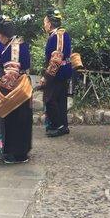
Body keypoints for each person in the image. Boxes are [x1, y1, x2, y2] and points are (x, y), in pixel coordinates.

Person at [0, 16, 32, 164]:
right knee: (23, 119)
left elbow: (11, 76)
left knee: (13, 121)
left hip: (13, 92)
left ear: (4, 34)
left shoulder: (13, 49)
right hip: (23, 88)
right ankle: (22, 151)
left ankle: (15, 153)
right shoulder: (20, 43)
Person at [40, 8, 72, 137]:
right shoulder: (61, 34)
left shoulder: (58, 36)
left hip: (57, 73)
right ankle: (62, 125)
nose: (44, 25)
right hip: (62, 72)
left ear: (49, 23)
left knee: (50, 98)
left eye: (45, 22)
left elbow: (56, 60)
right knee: (60, 99)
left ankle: (58, 125)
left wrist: (46, 77)